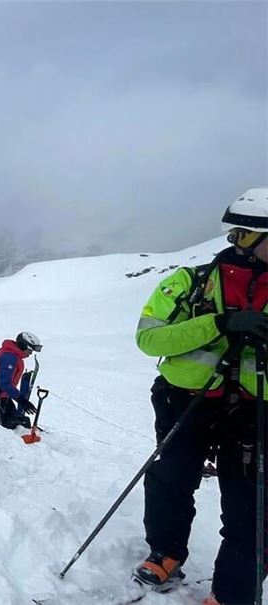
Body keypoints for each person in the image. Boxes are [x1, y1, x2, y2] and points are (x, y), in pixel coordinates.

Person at [130, 188, 268, 605]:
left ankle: (232, 593)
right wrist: (219, 324)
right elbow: (149, 337)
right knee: (170, 480)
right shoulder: (188, 284)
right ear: (247, 237)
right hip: (185, 399)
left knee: (253, 506)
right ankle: (166, 553)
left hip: (254, 409)